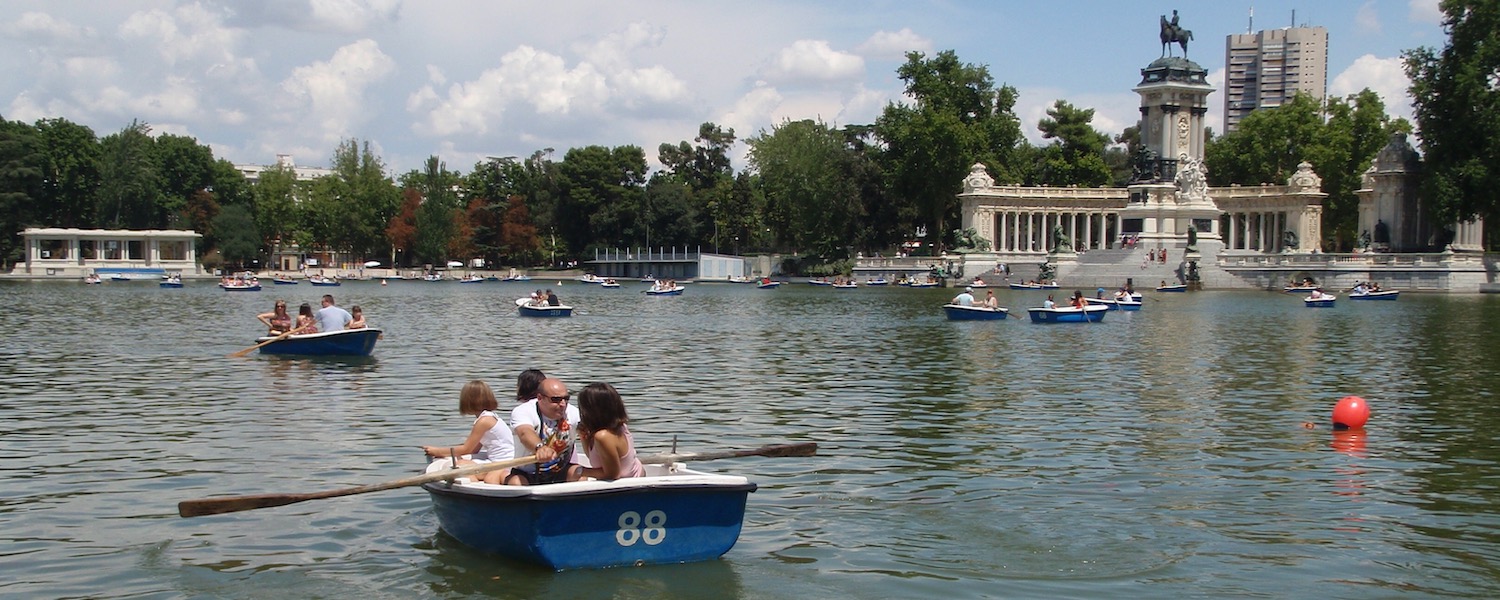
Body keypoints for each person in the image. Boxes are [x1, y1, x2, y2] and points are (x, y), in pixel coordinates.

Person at [420, 380, 515, 485]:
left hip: (501, 464)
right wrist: (447, 453)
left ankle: (472, 484)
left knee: (460, 465)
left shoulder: (484, 421)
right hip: (503, 461)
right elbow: (474, 449)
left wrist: (437, 451)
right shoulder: (489, 417)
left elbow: (467, 449)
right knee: (461, 461)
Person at [506, 377, 582, 485]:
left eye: (566, 398)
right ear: (540, 398)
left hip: (561, 471)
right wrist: (539, 448)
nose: (563, 404)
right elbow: (524, 432)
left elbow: (591, 431)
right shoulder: (523, 411)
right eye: (556, 400)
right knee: (516, 482)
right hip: (527, 473)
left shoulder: (573, 413)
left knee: (580, 474)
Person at [575, 383, 644, 480]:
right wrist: (584, 437)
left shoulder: (603, 436)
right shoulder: (619, 426)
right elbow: (594, 458)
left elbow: (613, 475)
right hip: (637, 474)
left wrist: (580, 471)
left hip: (628, 486)